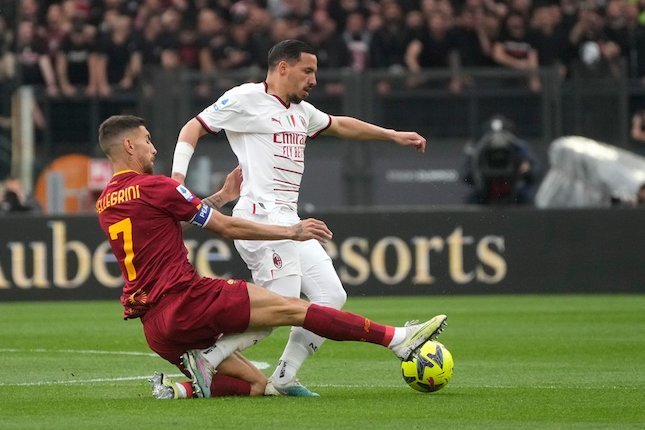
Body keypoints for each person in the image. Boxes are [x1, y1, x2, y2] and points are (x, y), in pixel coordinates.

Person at [97, 115, 447, 400]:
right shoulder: (158, 186)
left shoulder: (107, 201)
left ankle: (179, 389)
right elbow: (226, 228)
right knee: (294, 308)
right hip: (187, 300)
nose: (153, 147)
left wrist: (220, 195)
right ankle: (398, 339)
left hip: (155, 327)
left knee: (257, 386)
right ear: (129, 145)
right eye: (146, 139)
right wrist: (290, 232)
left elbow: (172, 223)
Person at [171, 39, 428, 396]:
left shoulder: (301, 112)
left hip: (289, 221)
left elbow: (340, 124)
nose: (314, 80)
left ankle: (284, 377)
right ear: (282, 68)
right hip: (260, 218)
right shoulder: (245, 98)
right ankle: (208, 358)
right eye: (308, 71)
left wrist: (392, 135)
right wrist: (178, 182)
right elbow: (192, 128)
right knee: (280, 309)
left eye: (315, 72)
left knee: (330, 295)